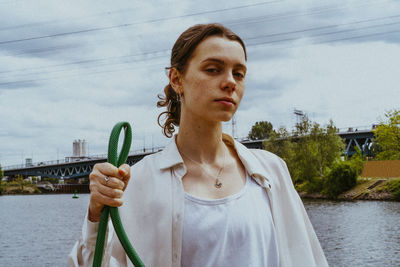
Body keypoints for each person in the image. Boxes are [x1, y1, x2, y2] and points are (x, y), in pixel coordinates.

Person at [69, 23, 328, 267]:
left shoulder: (272, 172)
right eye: (213, 69)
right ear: (176, 79)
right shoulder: (136, 182)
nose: (230, 82)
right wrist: (95, 214)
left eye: (239, 73)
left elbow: (307, 257)